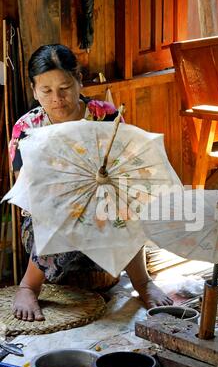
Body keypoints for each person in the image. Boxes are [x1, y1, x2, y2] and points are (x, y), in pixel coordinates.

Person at [9, 44, 173, 322]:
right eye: (46, 91)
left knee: (128, 204)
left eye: (64, 88)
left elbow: (127, 166)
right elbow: (26, 187)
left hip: (104, 201)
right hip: (46, 212)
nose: (57, 98)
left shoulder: (105, 115)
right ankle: (28, 286)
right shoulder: (28, 127)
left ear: (79, 81)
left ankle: (142, 282)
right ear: (34, 90)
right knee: (59, 213)